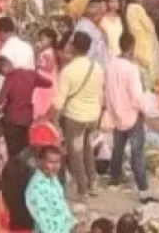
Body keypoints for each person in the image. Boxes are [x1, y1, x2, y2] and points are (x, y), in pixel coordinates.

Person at [49, 31, 104, 201]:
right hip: (93, 116)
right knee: (88, 149)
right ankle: (93, 183)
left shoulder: (69, 71)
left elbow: (58, 102)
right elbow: (100, 93)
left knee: (76, 153)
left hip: (75, 118)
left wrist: (49, 118)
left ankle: (83, 189)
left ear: (73, 46)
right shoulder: (97, 68)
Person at [105, 32, 154, 202]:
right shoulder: (131, 69)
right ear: (132, 47)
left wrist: (111, 110)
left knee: (118, 149)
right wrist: (146, 109)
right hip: (132, 114)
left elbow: (108, 90)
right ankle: (143, 189)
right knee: (137, 153)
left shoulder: (111, 64)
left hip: (117, 113)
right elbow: (137, 95)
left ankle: (114, 178)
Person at [0, 55, 52, 157]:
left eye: (1, 73)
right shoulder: (30, 74)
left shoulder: (9, 79)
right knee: (25, 147)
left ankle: (14, 169)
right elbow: (48, 83)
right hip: (26, 118)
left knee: (13, 150)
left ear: (4, 68)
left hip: (12, 119)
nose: (3, 76)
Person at [24, 146, 77, 232]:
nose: (55, 166)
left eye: (58, 162)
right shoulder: (36, 188)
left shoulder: (53, 179)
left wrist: (74, 224)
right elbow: (46, 224)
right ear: (40, 162)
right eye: (51, 162)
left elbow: (63, 208)